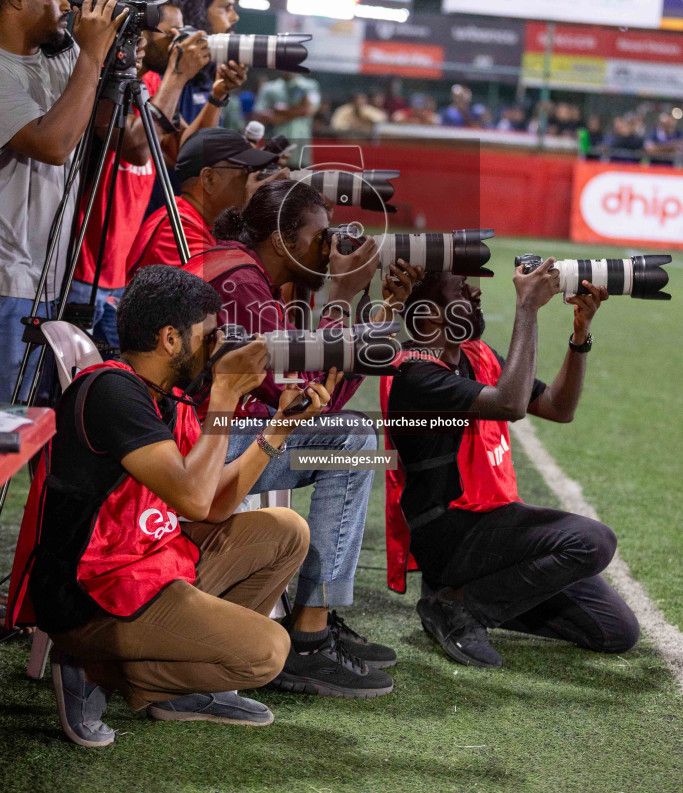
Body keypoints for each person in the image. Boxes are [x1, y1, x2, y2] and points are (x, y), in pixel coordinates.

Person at [20, 264, 337, 746]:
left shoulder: (165, 396)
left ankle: (178, 684)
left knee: (285, 530)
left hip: (146, 564)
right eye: (208, 335)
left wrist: (278, 428)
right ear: (171, 338)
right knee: (267, 652)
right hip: (89, 597)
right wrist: (226, 398)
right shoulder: (111, 392)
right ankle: (91, 667)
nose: (218, 347)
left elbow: (210, 506)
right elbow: (192, 495)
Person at [183, 179, 424, 698]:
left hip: (217, 434)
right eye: (321, 237)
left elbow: (314, 395)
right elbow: (304, 397)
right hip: (201, 447)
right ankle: (310, 633)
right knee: (356, 438)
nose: (329, 247)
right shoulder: (241, 286)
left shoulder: (246, 272)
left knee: (350, 433)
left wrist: (381, 314)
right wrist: (342, 295)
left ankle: (315, 615)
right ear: (281, 239)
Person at [382, 265, 639, 668]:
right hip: (447, 532)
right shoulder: (415, 373)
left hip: (491, 523)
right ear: (431, 312)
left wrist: (580, 336)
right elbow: (511, 405)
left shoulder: (477, 356)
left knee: (614, 631)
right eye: (462, 291)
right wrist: (527, 308)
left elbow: (558, 407)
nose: (476, 295)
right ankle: (460, 608)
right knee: (592, 540)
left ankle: (467, 596)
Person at [68, 0, 235, 347]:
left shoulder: (156, 83)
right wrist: (178, 76)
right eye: (169, 32)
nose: (178, 42)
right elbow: (137, 148)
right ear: (137, 32)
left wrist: (216, 97)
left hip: (120, 272)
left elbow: (182, 154)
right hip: (83, 270)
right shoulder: (107, 83)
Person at [0, 0, 126, 401]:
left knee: (36, 429)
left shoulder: (60, 55)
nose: (69, 5)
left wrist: (113, 64)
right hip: (7, 280)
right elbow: (51, 145)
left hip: (50, 277)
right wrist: (92, 57)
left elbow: (119, 136)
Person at [126, 128, 281, 280]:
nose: (252, 180)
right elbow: (228, 290)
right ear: (209, 179)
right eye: (246, 170)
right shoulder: (175, 228)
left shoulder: (206, 224)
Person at [166, 0, 247, 131]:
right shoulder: (162, 77)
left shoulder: (209, 75)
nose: (235, 17)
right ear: (197, 11)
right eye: (226, 8)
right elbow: (179, 150)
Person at [252, 70, 322, 164]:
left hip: (300, 148)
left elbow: (310, 110)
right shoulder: (269, 88)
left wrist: (282, 112)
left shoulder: (309, 86)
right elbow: (258, 114)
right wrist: (298, 110)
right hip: (274, 147)